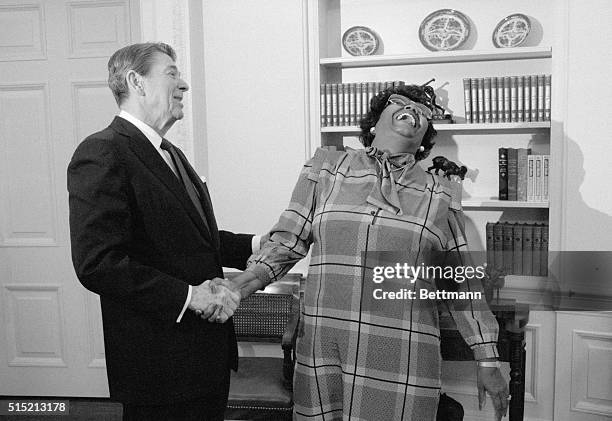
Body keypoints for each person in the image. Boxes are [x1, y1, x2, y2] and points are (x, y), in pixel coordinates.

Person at [214, 84, 510, 420]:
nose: (413, 111)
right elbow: (288, 240)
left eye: (424, 113)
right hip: (325, 348)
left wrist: (487, 357)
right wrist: (244, 283)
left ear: (426, 137)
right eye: (401, 102)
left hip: (402, 352)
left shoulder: (439, 194)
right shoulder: (326, 169)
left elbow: (459, 284)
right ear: (374, 119)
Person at [67, 42, 255, 421]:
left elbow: (191, 239)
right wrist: (190, 297)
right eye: (171, 73)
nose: (183, 84)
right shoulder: (102, 151)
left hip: (206, 360)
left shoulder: (170, 152)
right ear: (136, 81)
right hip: (158, 369)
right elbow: (98, 263)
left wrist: (255, 245)